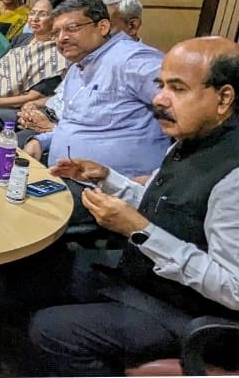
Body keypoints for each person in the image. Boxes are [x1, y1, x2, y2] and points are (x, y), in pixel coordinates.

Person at [29, 37, 239, 376]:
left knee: (51, 329)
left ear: (223, 97)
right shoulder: (192, 139)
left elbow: (234, 288)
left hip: (193, 315)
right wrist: (106, 177)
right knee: (42, 268)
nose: (158, 99)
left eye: (178, 88)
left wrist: (139, 231)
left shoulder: (233, 175)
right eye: (161, 85)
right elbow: (169, 207)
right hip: (149, 281)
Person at [19, 0, 169, 195]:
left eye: (72, 28)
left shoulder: (132, 60)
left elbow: (190, 113)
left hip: (111, 188)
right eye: (56, 32)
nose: (62, 38)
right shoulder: (78, 67)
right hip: (64, 173)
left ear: (103, 27)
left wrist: (159, 180)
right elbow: (77, 125)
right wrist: (42, 140)